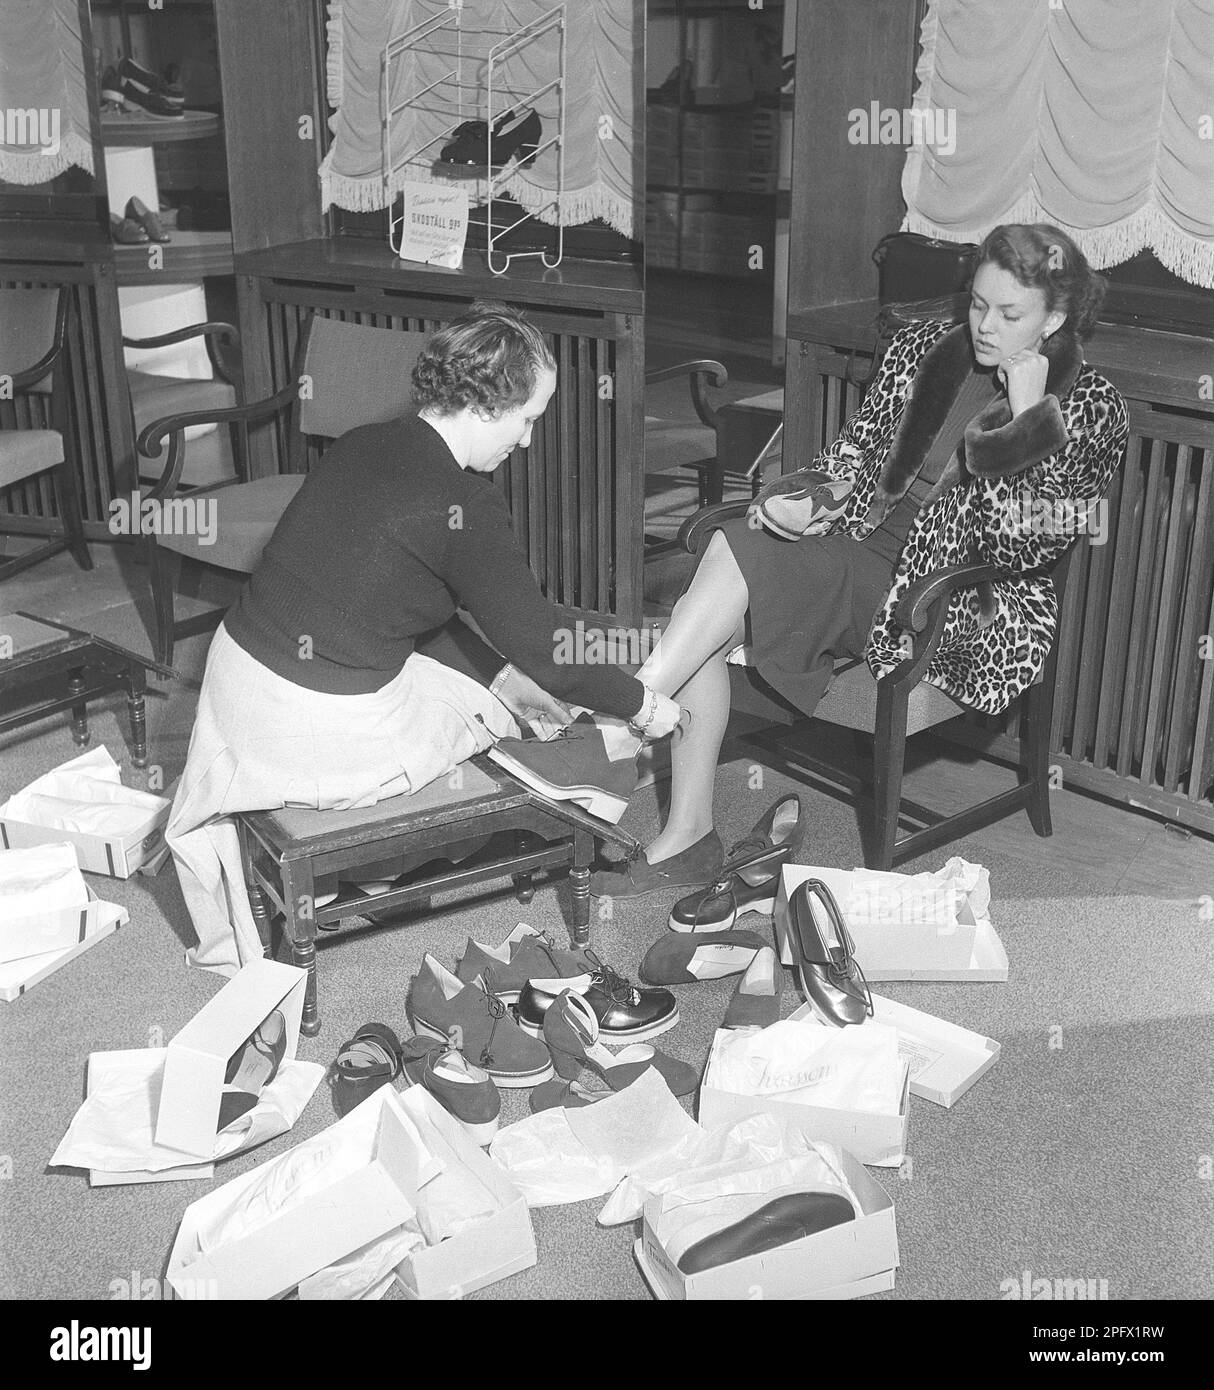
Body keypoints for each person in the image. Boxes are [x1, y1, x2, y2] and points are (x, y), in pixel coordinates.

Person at [591, 223, 1129, 899]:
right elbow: (851, 458)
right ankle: (676, 815)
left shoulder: (1092, 408)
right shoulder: (927, 349)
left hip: (953, 593)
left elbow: (1026, 549)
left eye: (1009, 313)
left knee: (719, 598)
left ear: (1054, 319)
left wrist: (1026, 428)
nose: (985, 325)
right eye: (978, 304)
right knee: (734, 547)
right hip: (862, 545)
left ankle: (619, 738)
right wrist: (806, 495)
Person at [167, 302, 682, 974]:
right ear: (491, 405)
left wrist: (503, 674)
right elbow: (546, 646)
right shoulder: (465, 503)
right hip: (308, 729)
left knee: (491, 683)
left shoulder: (364, 443)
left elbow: (401, 597)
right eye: (529, 419)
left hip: (234, 685)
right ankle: (399, 859)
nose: (527, 441)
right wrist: (642, 704)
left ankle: (380, 865)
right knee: (502, 714)